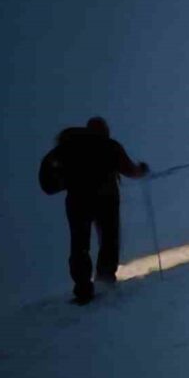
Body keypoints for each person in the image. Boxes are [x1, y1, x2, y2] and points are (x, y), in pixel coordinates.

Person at [41, 117, 149, 303]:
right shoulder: (109, 146)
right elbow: (129, 169)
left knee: (79, 244)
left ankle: (82, 288)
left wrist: (66, 182)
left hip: (77, 202)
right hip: (106, 200)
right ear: (104, 131)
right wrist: (141, 170)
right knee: (109, 239)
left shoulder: (68, 148)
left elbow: (48, 181)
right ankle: (105, 280)